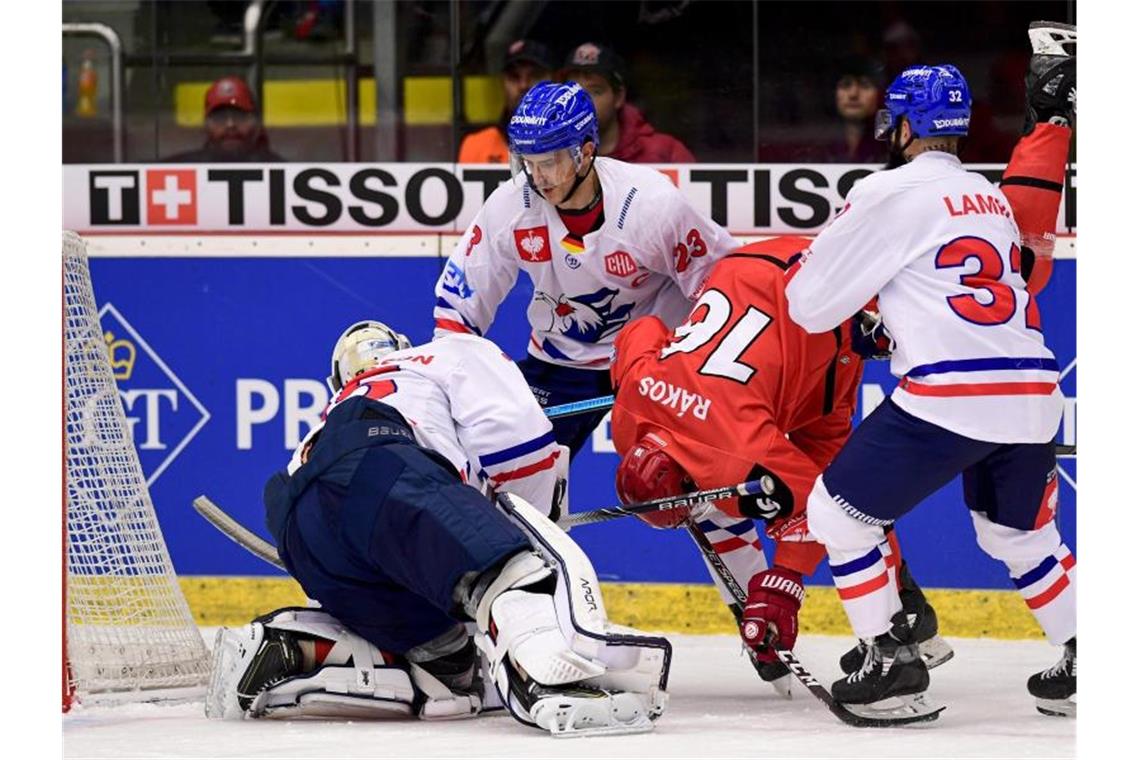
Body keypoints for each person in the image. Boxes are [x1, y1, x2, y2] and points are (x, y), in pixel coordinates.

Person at [785, 23, 1077, 723]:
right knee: (1020, 537)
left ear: (907, 125)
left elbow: (809, 304)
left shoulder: (887, 192)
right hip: (1034, 391)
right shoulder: (987, 198)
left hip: (953, 393)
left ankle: (892, 663)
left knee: (836, 515)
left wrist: (853, 294)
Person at [204, 321, 671, 736]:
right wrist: (517, 539)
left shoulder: (332, 411)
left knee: (450, 668)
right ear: (400, 346)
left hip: (296, 523)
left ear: (338, 379)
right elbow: (520, 439)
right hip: (380, 468)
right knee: (513, 577)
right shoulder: (442, 354)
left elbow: (353, 521)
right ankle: (555, 686)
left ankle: (295, 648)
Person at [607, 235, 953, 692]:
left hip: (820, 324)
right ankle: (906, 608)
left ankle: (901, 612)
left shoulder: (737, 454)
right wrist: (630, 376)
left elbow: (820, 506)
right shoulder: (627, 413)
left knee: (845, 496)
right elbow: (643, 331)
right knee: (822, 488)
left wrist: (784, 581)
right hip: (748, 266)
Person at [434, 80, 735, 457]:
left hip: (652, 360)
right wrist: (449, 382)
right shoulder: (511, 206)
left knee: (682, 482)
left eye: (549, 163)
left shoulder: (652, 205)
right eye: (527, 163)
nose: (537, 177)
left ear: (586, 152)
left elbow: (724, 285)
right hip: (560, 361)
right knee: (504, 467)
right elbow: (458, 308)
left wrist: (705, 366)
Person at [561, 42, 695, 163]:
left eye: (596, 91)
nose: (581, 101)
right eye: (572, 92)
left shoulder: (665, 153)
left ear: (619, 97)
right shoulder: (550, 156)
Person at [458, 39, 554, 164]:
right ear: (503, 83)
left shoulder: (573, 145)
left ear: (554, 81)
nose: (523, 85)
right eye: (514, 76)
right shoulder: (476, 145)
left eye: (535, 75)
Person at [164, 75, 285, 163]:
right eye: (220, 118)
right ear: (205, 125)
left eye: (240, 116)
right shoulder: (182, 170)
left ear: (257, 124)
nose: (230, 124)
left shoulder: (282, 172)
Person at [825, 56, 885, 163]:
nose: (853, 94)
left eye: (865, 85)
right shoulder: (820, 145)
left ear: (880, 94)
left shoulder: (896, 148)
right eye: (845, 85)